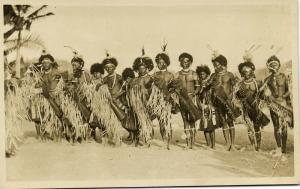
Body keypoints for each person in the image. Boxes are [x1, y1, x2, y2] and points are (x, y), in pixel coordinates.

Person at [236, 61, 270, 151]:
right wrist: (239, 102)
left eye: (248, 71)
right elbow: (236, 98)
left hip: (256, 108)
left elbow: (263, 96)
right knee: (249, 127)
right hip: (246, 108)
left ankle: (257, 146)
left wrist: (263, 97)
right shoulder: (240, 84)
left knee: (257, 126)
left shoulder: (258, 83)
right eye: (244, 72)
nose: (246, 73)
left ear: (252, 71)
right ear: (242, 73)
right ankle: (252, 144)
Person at [209, 52, 240, 151]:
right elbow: (208, 86)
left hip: (229, 101)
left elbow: (235, 87)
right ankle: (228, 144)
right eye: (214, 64)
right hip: (218, 102)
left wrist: (232, 97)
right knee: (223, 121)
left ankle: (233, 144)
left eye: (217, 64)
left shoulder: (230, 75)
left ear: (223, 64)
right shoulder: (213, 75)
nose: (215, 66)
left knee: (230, 121)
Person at [263, 55, 293, 157]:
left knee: (284, 126)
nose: (274, 66)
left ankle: (284, 148)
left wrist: (283, 98)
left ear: (279, 65)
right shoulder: (267, 79)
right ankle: (279, 148)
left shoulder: (284, 77)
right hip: (273, 105)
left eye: (275, 64)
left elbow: (289, 90)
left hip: (283, 104)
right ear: (269, 66)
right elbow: (262, 93)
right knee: (276, 126)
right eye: (271, 64)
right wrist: (267, 96)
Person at [173, 52, 200, 149]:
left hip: (191, 99)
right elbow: (174, 87)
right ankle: (188, 143)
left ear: (190, 62)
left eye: (187, 61)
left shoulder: (194, 74)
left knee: (192, 119)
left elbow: (198, 87)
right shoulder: (177, 75)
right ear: (180, 62)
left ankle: (192, 142)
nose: (185, 63)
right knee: (185, 120)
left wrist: (194, 93)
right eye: (183, 61)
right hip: (181, 99)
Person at [129, 48, 154, 146]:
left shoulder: (151, 78)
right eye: (140, 68)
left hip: (147, 103)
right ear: (137, 69)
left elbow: (153, 91)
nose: (142, 70)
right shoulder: (134, 80)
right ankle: (138, 139)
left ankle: (148, 140)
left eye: (144, 68)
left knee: (147, 121)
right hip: (137, 104)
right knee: (138, 121)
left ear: (147, 68)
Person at [151, 45, 174, 149]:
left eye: (162, 62)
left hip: (167, 100)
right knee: (160, 122)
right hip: (157, 101)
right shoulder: (154, 75)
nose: (160, 64)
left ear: (166, 63)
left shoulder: (170, 74)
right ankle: (163, 139)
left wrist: (169, 95)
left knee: (166, 122)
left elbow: (173, 87)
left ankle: (167, 141)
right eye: (158, 63)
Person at [196, 65, 217, 149]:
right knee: (205, 127)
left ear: (207, 74)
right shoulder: (198, 84)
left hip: (211, 106)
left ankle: (213, 145)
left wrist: (212, 105)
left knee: (211, 126)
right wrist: (200, 105)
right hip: (202, 106)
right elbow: (197, 96)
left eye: (203, 74)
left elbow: (214, 94)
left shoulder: (211, 83)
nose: (202, 76)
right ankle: (208, 144)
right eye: (200, 74)